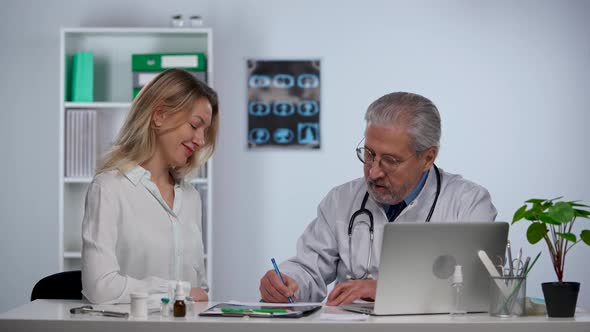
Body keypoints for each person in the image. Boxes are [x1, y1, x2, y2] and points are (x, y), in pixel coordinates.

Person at [259, 91, 497, 305]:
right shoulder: (341, 200)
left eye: (390, 160)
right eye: (369, 154)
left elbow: (479, 286)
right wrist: (286, 282)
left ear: (427, 158)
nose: (373, 172)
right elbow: (309, 269)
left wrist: (386, 289)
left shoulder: (468, 203)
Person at [81, 68, 219, 304]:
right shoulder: (109, 189)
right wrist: (180, 292)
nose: (200, 140)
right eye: (195, 125)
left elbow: (200, 291)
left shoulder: (191, 197)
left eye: (205, 131)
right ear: (159, 115)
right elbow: (100, 288)